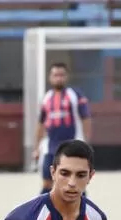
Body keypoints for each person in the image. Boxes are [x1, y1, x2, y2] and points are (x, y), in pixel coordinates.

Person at [32, 63, 92, 194]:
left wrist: (86, 143)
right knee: (47, 183)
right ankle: (44, 212)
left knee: (76, 182)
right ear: (50, 77)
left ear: (66, 77)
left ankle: (82, 212)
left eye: (61, 75)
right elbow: (41, 124)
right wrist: (36, 148)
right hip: (51, 148)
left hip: (72, 147)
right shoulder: (46, 98)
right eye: (55, 75)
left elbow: (86, 118)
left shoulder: (75, 95)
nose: (58, 78)